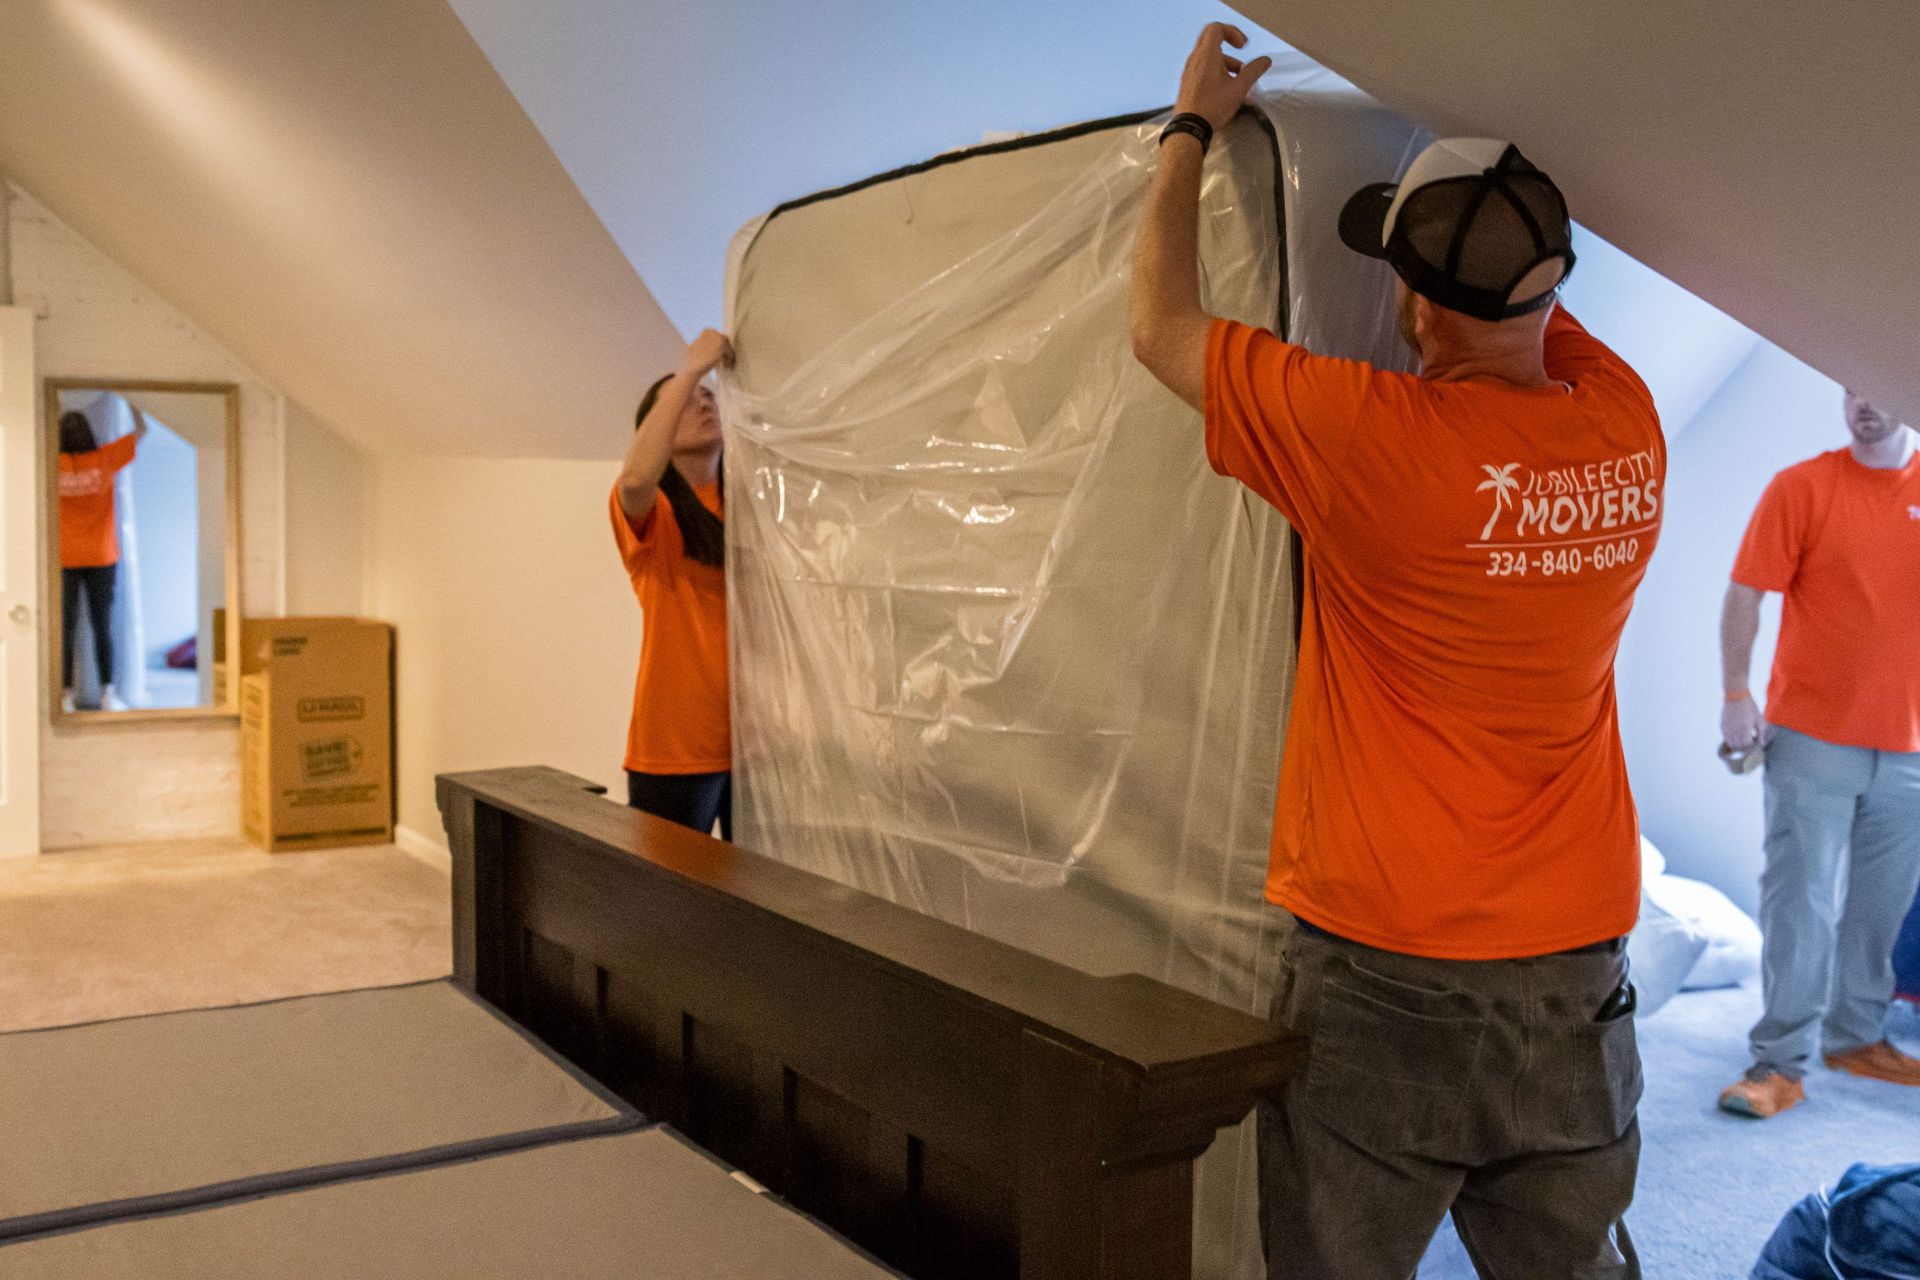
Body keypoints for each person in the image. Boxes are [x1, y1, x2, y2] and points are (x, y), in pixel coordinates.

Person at [1131, 25, 1664, 1279]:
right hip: (1580, 972)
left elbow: (1161, 327)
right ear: (1552, 286)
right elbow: (1531, 312)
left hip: (1391, 969)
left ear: (1414, 304)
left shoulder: (1371, 443)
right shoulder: (1627, 424)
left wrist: (1187, 134)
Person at [1716, 392, 1920, 1119]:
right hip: (1812, 736)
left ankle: (1856, 1036)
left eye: (1879, 385)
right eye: (1850, 388)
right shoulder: (1803, 487)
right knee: (1801, 902)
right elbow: (1746, 593)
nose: (1865, 403)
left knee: (1880, 907)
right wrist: (1738, 694)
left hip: (1908, 749)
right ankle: (1777, 1063)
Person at [612, 328, 734, 838]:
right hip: (678, 746)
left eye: (710, 397)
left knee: (763, 904)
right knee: (671, 909)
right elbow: (637, 479)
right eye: (687, 402)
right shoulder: (655, 514)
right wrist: (689, 371)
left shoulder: (751, 506)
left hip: (764, 745)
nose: (703, 403)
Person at [58, 406, 148, 713]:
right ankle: (107, 693)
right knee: (102, 627)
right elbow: (141, 432)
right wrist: (134, 403)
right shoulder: (103, 460)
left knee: (65, 629)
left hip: (65, 558)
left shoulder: (52, 464)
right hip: (101, 556)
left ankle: (65, 696)